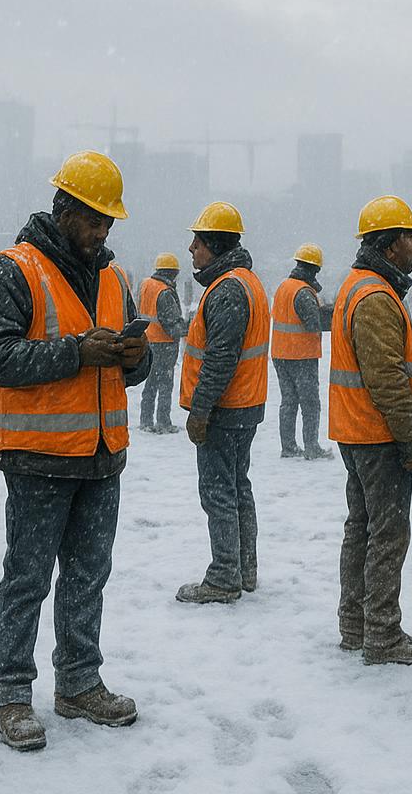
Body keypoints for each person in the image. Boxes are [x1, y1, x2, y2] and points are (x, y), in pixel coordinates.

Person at [0, 150, 149, 751]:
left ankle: (79, 682)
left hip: (101, 455)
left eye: (109, 223)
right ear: (66, 209)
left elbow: (127, 365)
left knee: (87, 577)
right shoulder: (14, 270)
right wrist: (76, 352)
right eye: (95, 219)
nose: (103, 231)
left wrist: (133, 359)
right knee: (27, 579)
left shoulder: (113, 277)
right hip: (39, 457)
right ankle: (12, 694)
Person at [330, 197, 412, 665]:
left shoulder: (360, 287)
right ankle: (382, 634)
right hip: (378, 437)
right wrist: (410, 438)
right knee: (386, 534)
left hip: (358, 432)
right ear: (390, 246)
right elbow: (388, 378)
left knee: (363, 528)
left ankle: (355, 625)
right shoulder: (374, 297)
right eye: (409, 237)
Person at [176, 201, 269, 604]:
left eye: (197, 243)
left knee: (219, 491)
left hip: (224, 410)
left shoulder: (228, 289)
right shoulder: (243, 282)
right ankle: (243, 570)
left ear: (214, 245)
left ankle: (224, 577)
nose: (192, 250)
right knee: (237, 487)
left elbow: (220, 358)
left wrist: (200, 411)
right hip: (244, 406)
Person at [272, 243, 331, 459]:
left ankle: (288, 447)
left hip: (280, 354)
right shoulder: (304, 292)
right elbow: (313, 323)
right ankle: (312, 448)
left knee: (288, 401)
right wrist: (334, 313)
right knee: (310, 403)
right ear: (314, 269)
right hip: (301, 355)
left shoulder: (284, 287)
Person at [137, 252, 185, 433]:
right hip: (164, 344)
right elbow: (170, 323)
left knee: (150, 383)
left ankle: (145, 420)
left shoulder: (146, 285)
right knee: (165, 383)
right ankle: (163, 422)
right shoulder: (164, 292)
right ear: (171, 273)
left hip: (148, 341)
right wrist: (186, 329)